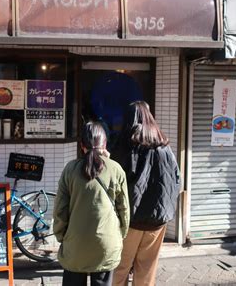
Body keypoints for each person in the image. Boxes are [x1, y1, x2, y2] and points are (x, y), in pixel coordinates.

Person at [112, 101, 181, 286]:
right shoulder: (164, 146)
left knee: (119, 268)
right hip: (158, 220)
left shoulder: (126, 144)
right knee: (147, 271)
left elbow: (114, 181)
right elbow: (176, 180)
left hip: (130, 221)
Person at [53, 121, 130, 286]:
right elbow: (124, 209)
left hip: (75, 243)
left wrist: (61, 236)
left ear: (82, 145)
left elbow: (60, 209)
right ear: (105, 144)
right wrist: (120, 235)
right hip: (106, 243)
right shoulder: (116, 169)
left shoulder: (70, 169)